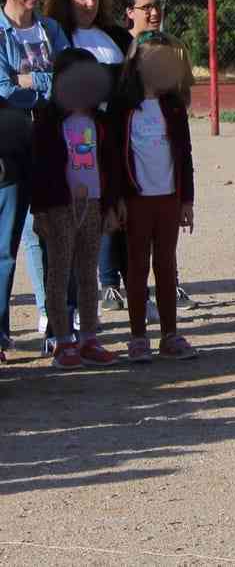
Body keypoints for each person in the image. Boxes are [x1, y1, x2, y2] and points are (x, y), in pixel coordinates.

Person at [43, 0, 138, 315]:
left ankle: (130, 285)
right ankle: (100, 287)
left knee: (120, 208)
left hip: (118, 135)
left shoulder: (113, 35)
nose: (90, 2)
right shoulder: (58, 36)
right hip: (79, 137)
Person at [30, 48, 122, 370]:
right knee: (59, 273)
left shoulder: (100, 122)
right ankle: (63, 341)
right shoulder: (48, 121)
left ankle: (89, 339)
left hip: (93, 206)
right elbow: (38, 171)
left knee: (87, 274)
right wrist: (40, 210)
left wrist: (111, 205)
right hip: (59, 209)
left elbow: (109, 166)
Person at [111, 31, 200, 361]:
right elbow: (113, 158)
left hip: (168, 199)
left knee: (166, 265)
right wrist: (116, 200)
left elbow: (185, 155)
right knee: (137, 267)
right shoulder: (123, 109)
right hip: (136, 200)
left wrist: (187, 200)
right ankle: (137, 337)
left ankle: (170, 335)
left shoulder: (173, 107)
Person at [0, 0, 70, 364]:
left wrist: (31, 79)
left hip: (51, 143)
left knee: (51, 238)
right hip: (9, 148)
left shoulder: (51, 28)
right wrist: (44, 83)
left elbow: (70, 80)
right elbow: (4, 90)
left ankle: (56, 326)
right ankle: (1, 335)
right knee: (5, 246)